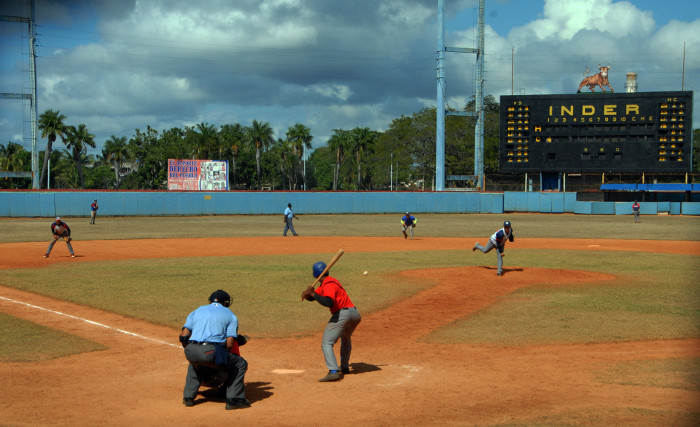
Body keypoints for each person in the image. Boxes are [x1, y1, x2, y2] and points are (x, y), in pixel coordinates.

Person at [179, 290, 250, 410]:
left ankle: (188, 398)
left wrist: (192, 349)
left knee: (194, 363)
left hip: (190, 351)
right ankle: (234, 399)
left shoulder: (197, 310)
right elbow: (230, 342)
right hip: (210, 351)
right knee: (240, 364)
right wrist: (221, 355)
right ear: (225, 302)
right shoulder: (230, 315)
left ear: (210, 301)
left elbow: (183, 336)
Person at [300, 261, 361, 382]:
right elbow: (316, 297)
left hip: (343, 315)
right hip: (354, 314)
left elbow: (329, 302)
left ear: (314, 275)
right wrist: (308, 295)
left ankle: (333, 371)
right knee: (345, 338)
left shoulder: (328, 284)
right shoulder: (329, 282)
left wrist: (312, 293)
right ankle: (344, 367)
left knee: (327, 343)